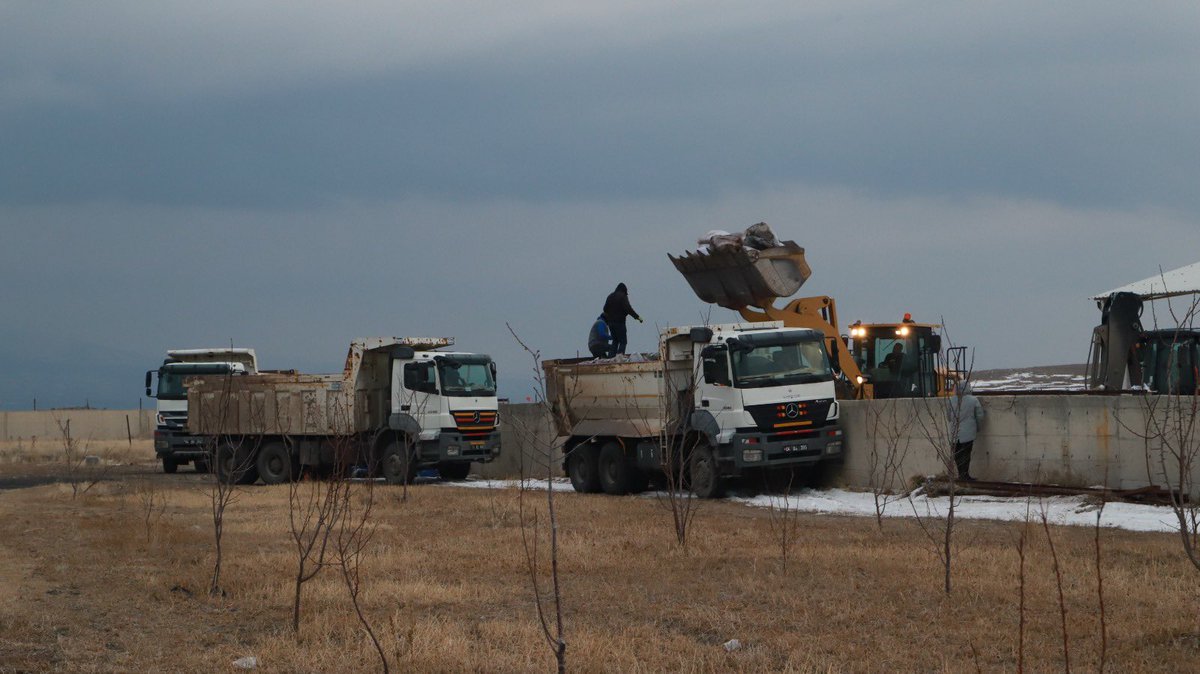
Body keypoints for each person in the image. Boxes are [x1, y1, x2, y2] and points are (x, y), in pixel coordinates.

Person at [946, 382, 985, 481]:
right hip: (968, 433)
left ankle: (961, 476)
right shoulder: (973, 400)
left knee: (957, 455)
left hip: (955, 433)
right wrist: (978, 428)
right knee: (966, 455)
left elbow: (949, 417)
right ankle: (965, 476)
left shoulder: (951, 400)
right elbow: (980, 416)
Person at [602, 282, 643, 355]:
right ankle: (619, 358)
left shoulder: (610, 296)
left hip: (611, 323)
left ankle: (611, 358)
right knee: (623, 341)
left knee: (615, 341)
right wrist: (637, 317)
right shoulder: (623, 296)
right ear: (624, 290)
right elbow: (628, 309)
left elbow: (605, 309)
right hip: (619, 323)